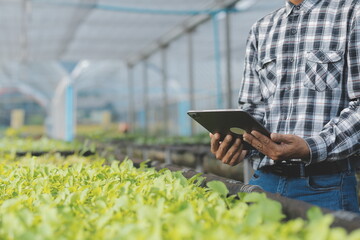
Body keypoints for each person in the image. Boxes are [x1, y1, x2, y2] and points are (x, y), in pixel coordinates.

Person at [210, 0, 360, 212]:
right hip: (263, 184)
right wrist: (238, 143)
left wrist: (310, 147)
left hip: (325, 186)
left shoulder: (351, 13)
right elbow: (253, 107)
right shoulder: (261, 29)